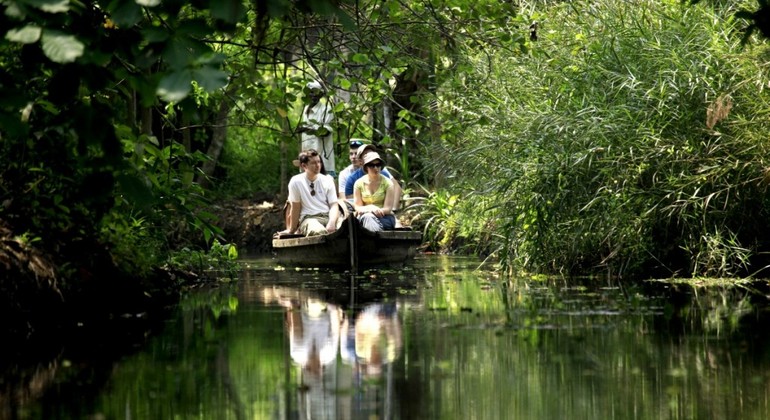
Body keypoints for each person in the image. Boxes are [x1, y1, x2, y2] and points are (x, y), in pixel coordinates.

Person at [277, 149, 341, 237]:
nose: (318, 165)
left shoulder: (328, 180)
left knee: (345, 230)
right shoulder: (296, 181)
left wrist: (332, 222)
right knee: (319, 232)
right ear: (304, 166)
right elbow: (295, 207)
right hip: (308, 218)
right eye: (313, 163)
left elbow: (334, 204)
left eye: (319, 162)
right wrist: (292, 229)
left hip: (327, 216)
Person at [297, 81, 336, 178]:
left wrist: (307, 129)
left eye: (316, 92)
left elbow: (326, 132)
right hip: (307, 162)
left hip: (323, 161)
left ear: (321, 94)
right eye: (310, 92)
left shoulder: (326, 109)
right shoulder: (306, 109)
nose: (313, 95)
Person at [353, 152, 397, 232]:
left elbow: (388, 208)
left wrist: (376, 211)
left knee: (369, 220)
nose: (376, 168)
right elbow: (357, 207)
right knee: (367, 218)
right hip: (364, 217)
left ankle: (372, 239)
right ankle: (377, 241)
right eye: (372, 165)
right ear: (366, 167)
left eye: (378, 165)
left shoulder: (388, 183)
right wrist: (370, 208)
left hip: (385, 218)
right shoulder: (358, 183)